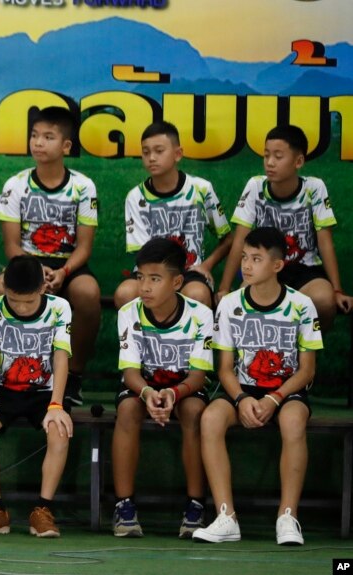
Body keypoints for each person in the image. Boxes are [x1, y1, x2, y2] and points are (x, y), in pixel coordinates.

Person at [194, 227, 321, 545]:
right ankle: (226, 517)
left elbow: (306, 371)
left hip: (287, 390)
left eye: (256, 259)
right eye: (244, 258)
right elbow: (223, 368)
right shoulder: (229, 305)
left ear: (277, 265)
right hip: (243, 389)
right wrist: (240, 399)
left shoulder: (302, 305)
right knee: (210, 418)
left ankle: (287, 516)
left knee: (293, 422)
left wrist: (275, 399)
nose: (246, 266)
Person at [0, 106, 99, 407]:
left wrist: (64, 272)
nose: (38, 143)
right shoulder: (15, 185)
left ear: (66, 146)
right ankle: (8, 375)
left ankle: (74, 378)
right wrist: (35, 270)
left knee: (88, 292)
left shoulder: (83, 186)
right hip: (27, 262)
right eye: (34, 136)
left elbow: (84, 247)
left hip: (69, 266)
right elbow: (11, 245)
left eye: (48, 137)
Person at [111, 238, 214, 539]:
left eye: (155, 279)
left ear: (177, 282)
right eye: (140, 277)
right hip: (141, 386)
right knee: (128, 409)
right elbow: (130, 372)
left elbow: (198, 375)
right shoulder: (129, 312)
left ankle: (196, 505)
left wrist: (173, 394)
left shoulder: (200, 315)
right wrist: (147, 394)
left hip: (183, 387)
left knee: (194, 412)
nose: (144, 287)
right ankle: (124, 505)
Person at [0, 255, 73, 538]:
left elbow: (61, 357)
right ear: (4, 288)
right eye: (14, 300)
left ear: (42, 289)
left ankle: (43, 510)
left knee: (59, 431)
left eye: (28, 301)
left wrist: (57, 405)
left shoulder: (59, 308)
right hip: (5, 388)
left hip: (45, 391)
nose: (21, 308)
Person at [218, 124, 350, 331]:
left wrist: (337, 290)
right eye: (266, 155)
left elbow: (325, 243)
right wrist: (224, 288)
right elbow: (240, 240)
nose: (269, 163)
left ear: (298, 161)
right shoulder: (255, 186)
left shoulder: (314, 188)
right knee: (247, 304)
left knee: (324, 301)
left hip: (306, 269)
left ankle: (306, 351)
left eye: (278, 157)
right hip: (264, 268)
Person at [113, 121, 233, 309]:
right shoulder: (135, 197)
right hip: (150, 272)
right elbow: (142, 254)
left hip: (189, 272)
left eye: (159, 151)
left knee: (197, 295)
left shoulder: (201, 189)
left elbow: (227, 239)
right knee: (124, 293)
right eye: (146, 152)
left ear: (178, 154)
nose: (151, 158)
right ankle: (138, 339)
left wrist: (207, 265)